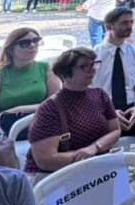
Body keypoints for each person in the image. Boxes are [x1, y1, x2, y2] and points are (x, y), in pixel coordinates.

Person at [25, 48, 121, 176]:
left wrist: (95, 147)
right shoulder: (49, 109)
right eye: (85, 66)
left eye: (93, 64)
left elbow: (115, 130)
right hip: (58, 176)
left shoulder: (100, 95)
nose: (92, 70)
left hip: (98, 170)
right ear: (65, 75)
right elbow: (44, 160)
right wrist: (87, 158)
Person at [0, 28, 61, 135]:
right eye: (25, 43)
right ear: (10, 49)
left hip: (44, 124)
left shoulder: (46, 69)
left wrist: (17, 110)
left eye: (36, 40)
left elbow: (57, 103)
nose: (32, 45)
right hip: (6, 130)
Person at [93, 6, 135, 136]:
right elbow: (89, 90)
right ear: (109, 26)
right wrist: (109, 111)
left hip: (132, 109)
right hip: (102, 110)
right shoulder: (94, 56)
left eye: (131, 22)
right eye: (124, 22)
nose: (129, 26)